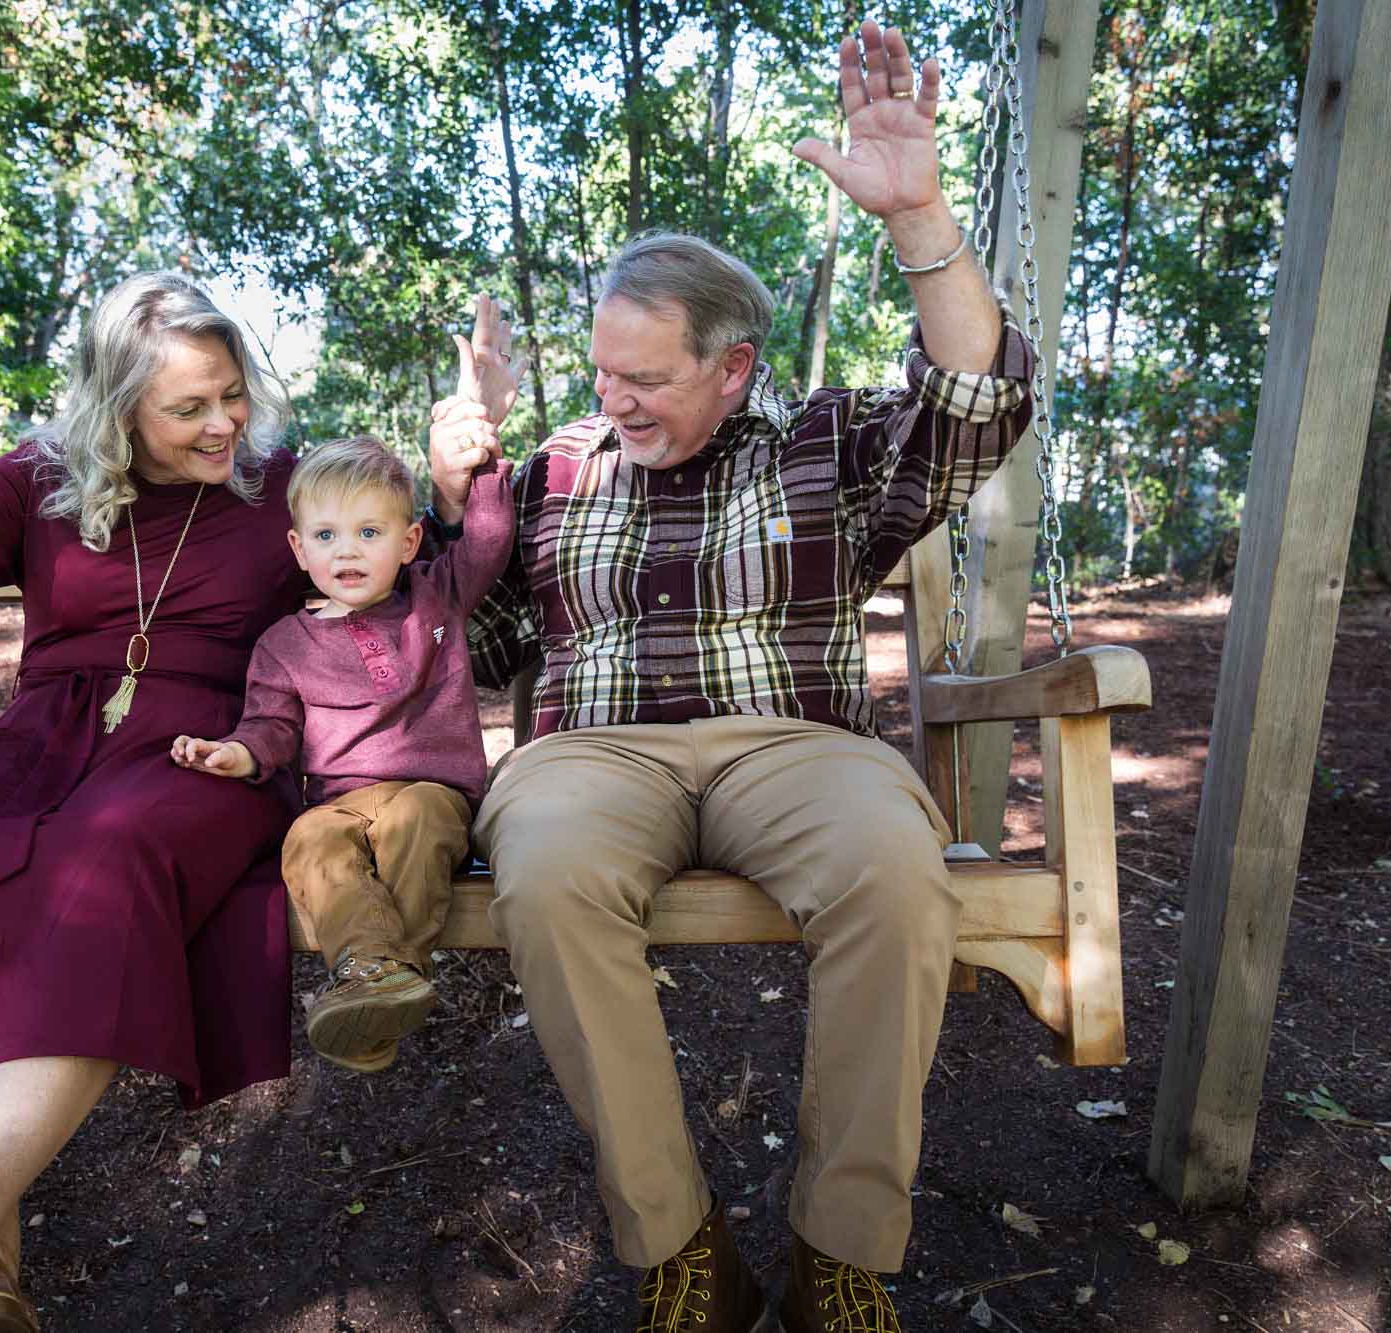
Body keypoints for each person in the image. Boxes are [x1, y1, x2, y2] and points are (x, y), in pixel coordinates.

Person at [0, 220, 514, 1332]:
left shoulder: (281, 487)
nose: (224, 423)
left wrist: (459, 461)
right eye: (189, 407)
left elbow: (400, 544)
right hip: (41, 743)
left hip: (205, 751)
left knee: (104, 865)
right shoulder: (38, 482)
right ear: (118, 409)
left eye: (231, 394)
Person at [425, 22, 1035, 1333]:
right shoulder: (556, 471)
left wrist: (922, 218)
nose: (611, 398)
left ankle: (839, 1251)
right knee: (546, 870)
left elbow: (978, 405)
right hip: (590, 756)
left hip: (795, 746)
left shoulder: (823, 448)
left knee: (890, 870)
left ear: (734, 366)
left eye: (645, 379)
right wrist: (454, 504)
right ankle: (683, 1245)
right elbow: (460, 650)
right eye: (598, 370)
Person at [170, 426, 516, 1073]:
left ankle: (374, 980)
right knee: (307, 839)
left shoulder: (433, 597)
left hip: (432, 791)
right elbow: (269, 727)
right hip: (341, 800)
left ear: (409, 540)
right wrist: (236, 755)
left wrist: (484, 463)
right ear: (300, 549)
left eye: (369, 532)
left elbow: (489, 542)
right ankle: (384, 981)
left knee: (414, 826)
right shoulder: (286, 644)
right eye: (327, 536)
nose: (347, 551)